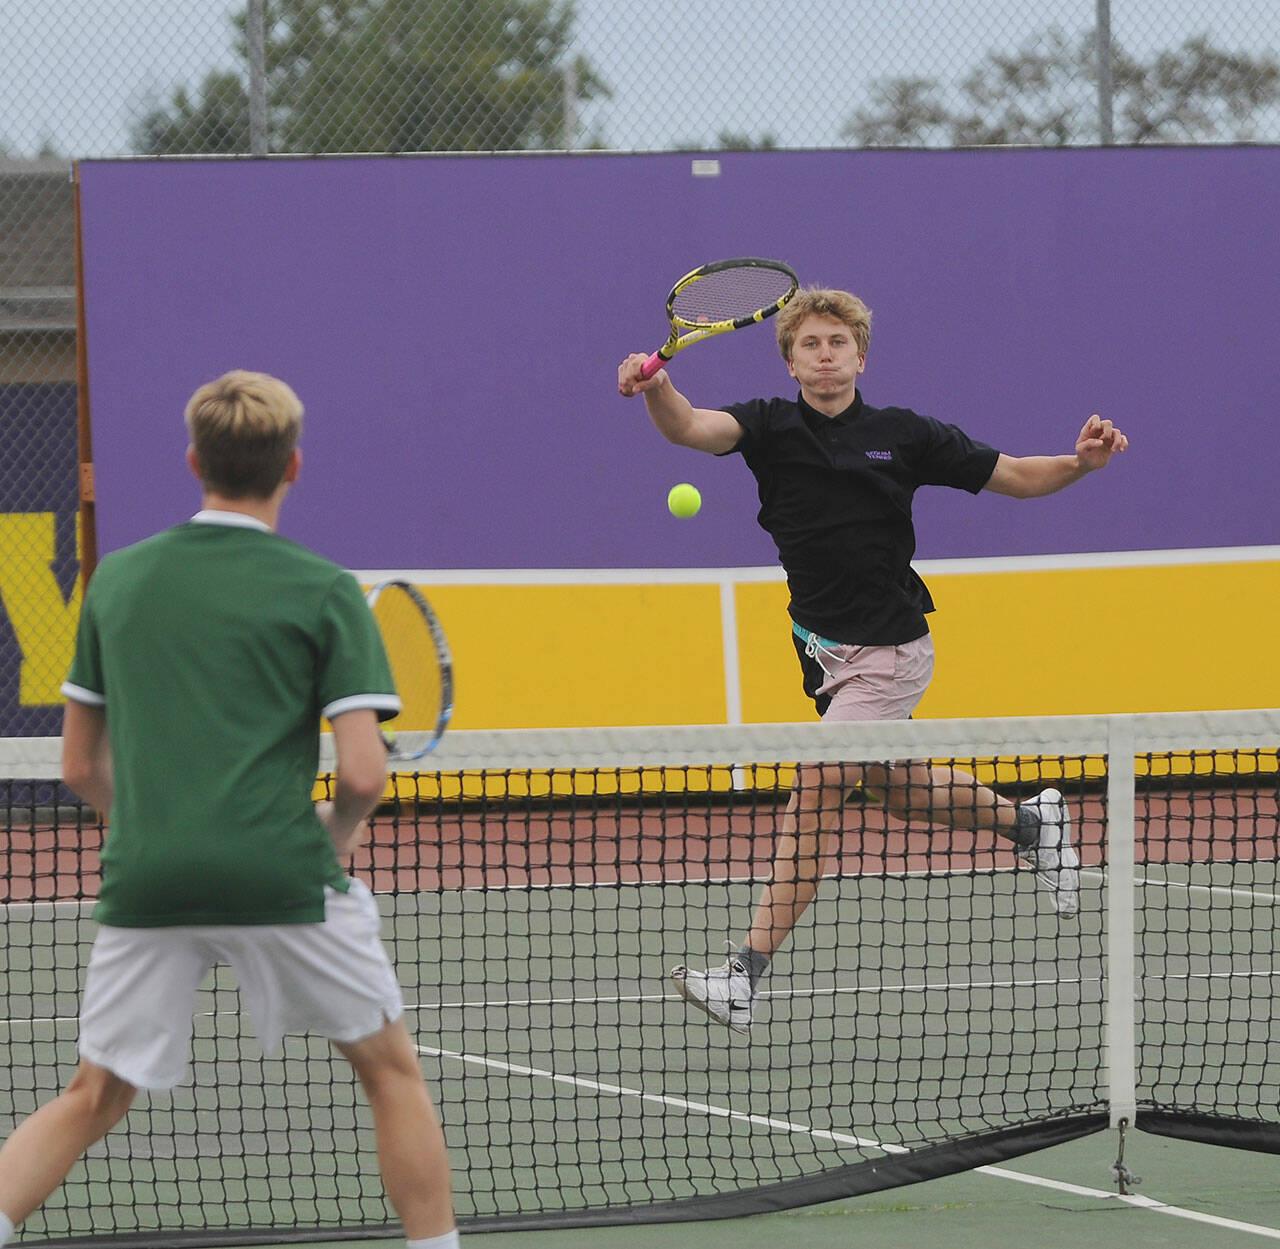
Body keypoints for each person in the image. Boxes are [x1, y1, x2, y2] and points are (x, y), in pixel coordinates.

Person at [0, 371, 458, 1249]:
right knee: (391, 1072)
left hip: (150, 876)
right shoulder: (324, 589)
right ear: (293, 465)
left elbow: (78, 764)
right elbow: (362, 775)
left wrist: (144, 833)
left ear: (192, 461)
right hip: (285, 875)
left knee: (91, 1095)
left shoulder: (118, 582)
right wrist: (331, 841)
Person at [618, 287, 1129, 1036]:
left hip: (891, 646)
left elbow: (1017, 475)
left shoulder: (905, 434)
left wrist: (1080, 464)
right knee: (892, 789)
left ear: (861, 354)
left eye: (837, 342)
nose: (825, 354)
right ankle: (1032, 823)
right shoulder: (766, 425)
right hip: (823, 651)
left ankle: (743, 974)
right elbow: (690, 427)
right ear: (790, 359)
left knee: (819, 782)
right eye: (810, 344)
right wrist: (657, 385)